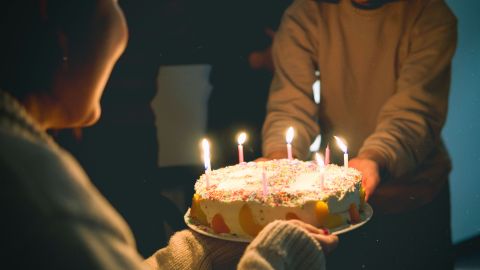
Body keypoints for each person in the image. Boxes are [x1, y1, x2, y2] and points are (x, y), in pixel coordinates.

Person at [0, 0, 338, 269]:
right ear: (59, 22)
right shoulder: (45, 201)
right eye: (114, 2)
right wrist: (276, 255)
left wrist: (202, 250)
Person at [261, 0, 457, 269]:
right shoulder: (305, 13)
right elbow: (290, 103)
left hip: (414, 198)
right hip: (339, 209)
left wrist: (375, 157)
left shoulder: (430, 13)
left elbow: (416, 110)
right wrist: (281, 156)